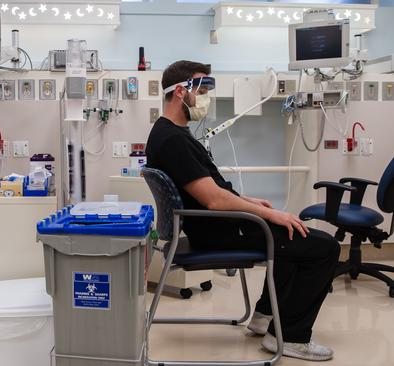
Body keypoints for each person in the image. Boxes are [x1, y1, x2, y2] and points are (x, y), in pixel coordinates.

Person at [145, 60, 340, 361]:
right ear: (181, 92)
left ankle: (264, 317)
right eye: (203, 88)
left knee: (291, 235)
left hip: (217, 225)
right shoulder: (173, 140)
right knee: (323, 247)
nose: (206, 96)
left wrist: (249, 201)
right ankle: (290, 337)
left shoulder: (171, 133)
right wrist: (270, 214)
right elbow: (214, 201)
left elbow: (208, 191)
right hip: (219, 230)